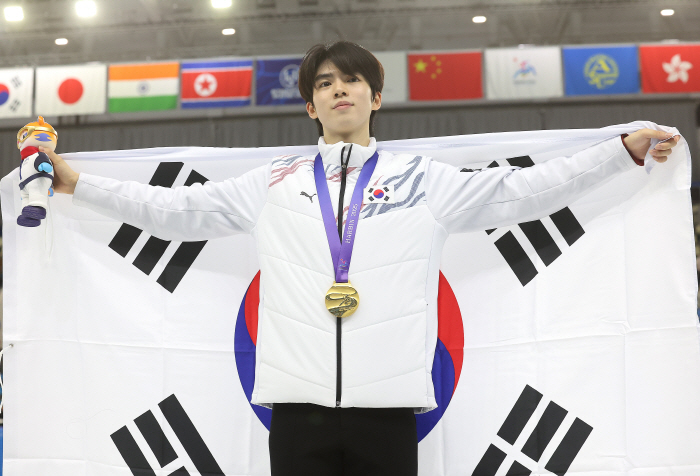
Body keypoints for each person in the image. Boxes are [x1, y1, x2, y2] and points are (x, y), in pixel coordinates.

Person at [40, 41, 679, 476]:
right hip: (294, 412)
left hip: (389, 411)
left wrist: (618, 151)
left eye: (352, 81)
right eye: (324, 84)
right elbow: (175, 211)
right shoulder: (272, 182)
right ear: (309, 106)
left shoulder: (424, 180)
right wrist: (80, 184)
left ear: (375, 98)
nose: (338, 90)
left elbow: (523, 190)